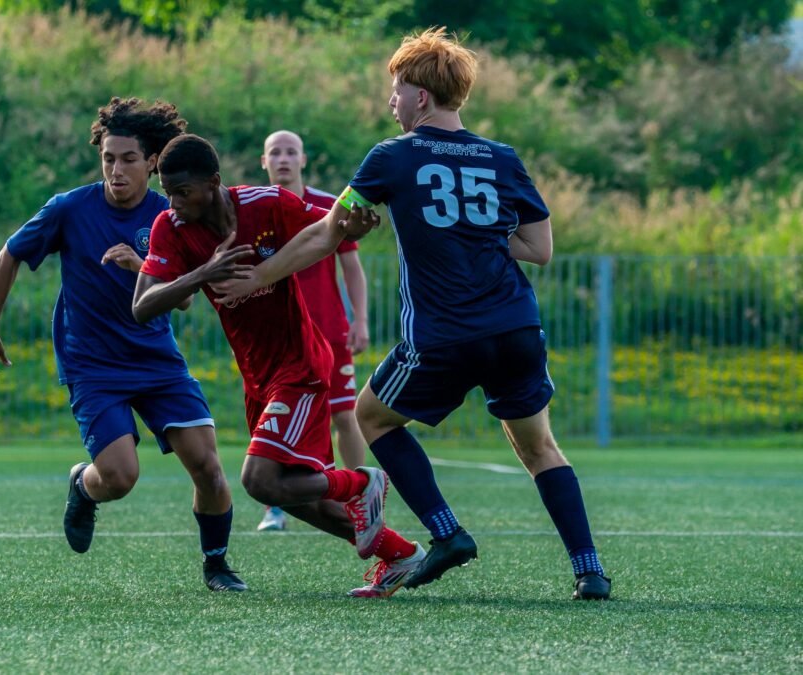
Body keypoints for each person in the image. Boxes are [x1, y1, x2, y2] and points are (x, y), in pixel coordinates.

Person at [211, 28, 612, 600]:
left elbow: (325, 233)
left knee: (372, 419)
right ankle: (589, 570)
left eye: (396, 90)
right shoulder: (502, 157)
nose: (391, 101)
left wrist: (258, 277)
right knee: (540, 448)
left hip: (445, 335)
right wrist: (474, 236)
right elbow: (539, 248)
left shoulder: (393, 155)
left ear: (420, 96)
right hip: (516, 327)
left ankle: (447, 533)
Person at [132, 133, 425, 598]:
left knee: (259, 479)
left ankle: (360, 482)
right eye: (167, 192)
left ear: (214, 182)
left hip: (300, 365)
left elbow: (330, 228)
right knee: (296, 494)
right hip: (258, 378)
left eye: (182, 191)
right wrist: (202, 273)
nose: (174, 203)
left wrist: (353, 226)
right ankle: (401, 554)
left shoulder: (266, 204)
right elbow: (142, 306)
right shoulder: (171, 226)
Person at [0, 97, 247, 592]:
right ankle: (84, 485)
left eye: (128, 159)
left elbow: (184, 300)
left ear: (152, 162)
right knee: (119, 478)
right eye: (108, 159)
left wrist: (141, 266)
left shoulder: (170, 214)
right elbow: (9, 254)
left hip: (157, 361)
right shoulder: (70, 209)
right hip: (93, 365)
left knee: (208, 466)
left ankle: (217, 565)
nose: (116, 170)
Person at [255, 130, 370, 533]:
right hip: (277, 340)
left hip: (329, 332)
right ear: (264, 162)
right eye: (275, 152)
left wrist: (360, 320)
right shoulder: (255, 209)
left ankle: (362, 500)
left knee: (344, 414)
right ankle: (275, 507)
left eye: (291, 152)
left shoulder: (330, 206)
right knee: (272, 417)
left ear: (303, 160)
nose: (283, 159)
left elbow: (352, 269)